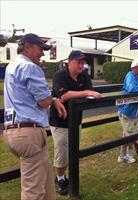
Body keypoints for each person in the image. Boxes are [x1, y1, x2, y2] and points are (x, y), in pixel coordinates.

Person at [3, 33, 67, 200]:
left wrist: (51, 99)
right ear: (27, 46)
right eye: (40, 49)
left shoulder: (12, 66)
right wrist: (52, 99)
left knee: (46, 182)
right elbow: (43, 101)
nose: (42, 53)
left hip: (12, 132)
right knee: (34, 192)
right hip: (29, 133)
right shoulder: (30, 67)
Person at [49, 50, 101, 195]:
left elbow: (90, 90)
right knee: (62, 152)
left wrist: (87, 92)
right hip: (59, 121)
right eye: (78, 62)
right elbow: (64, 95)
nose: (82, 65)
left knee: (73, 151)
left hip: (76, 120)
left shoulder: (83, 75)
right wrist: (86, 93)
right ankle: (60, 178)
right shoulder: (60, 75)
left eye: (83, 62)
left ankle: (67, 176)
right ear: (69, 62)